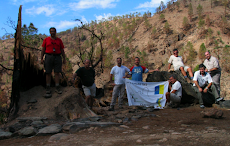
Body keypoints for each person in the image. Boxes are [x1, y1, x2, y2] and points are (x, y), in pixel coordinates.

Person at [41, 27, 66, 97]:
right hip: (48, 56)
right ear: (50, 32)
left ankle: (57, 87)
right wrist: (41, 58)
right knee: (48, 72)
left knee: (57, 72)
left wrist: (64, 58)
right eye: (51, 31)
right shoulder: (46, 40)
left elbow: (62, 50)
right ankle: (48, 88)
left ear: (56, 32)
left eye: (54, 31)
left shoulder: (59, 40)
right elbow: (43, 49)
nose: (52, 33)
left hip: (57, 57)